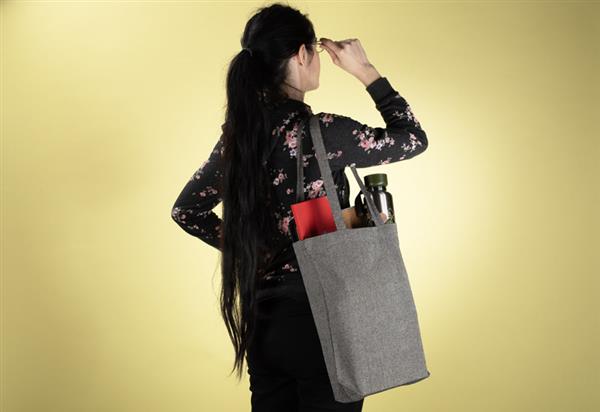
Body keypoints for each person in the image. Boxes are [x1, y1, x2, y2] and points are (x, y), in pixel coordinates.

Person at [170, 3, 428, 410]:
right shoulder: (324, 132)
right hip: (324, 320)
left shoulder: (240, 138)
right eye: (315, 51)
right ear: (302, 54)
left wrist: (255, 250)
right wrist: (366, 71)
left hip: (264, 321)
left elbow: (187, 211)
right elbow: (412, 138)